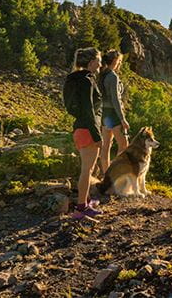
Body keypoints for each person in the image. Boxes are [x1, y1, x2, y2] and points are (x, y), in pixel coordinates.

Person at [63, 47, 103, 219]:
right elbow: (89, 111)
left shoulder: (74, 79)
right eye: (99, 61)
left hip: (80, 129)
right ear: (91, 62)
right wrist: (97, 135)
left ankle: (85, 201)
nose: (100, 64)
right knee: (87, 170)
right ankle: (81, 208)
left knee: (87, 169)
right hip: (88, 130)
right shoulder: (86, 81)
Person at [98, 49, 130, 173]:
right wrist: (122, 119)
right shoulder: (113, 76)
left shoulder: (102, 75)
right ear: (115, 61)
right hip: (113, 114)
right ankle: (116, 172)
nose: (120, 63)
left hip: (104, 113)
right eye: (120, 61)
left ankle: (106, 173)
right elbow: (115, 99)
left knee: (106, 145)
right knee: (124, 144)